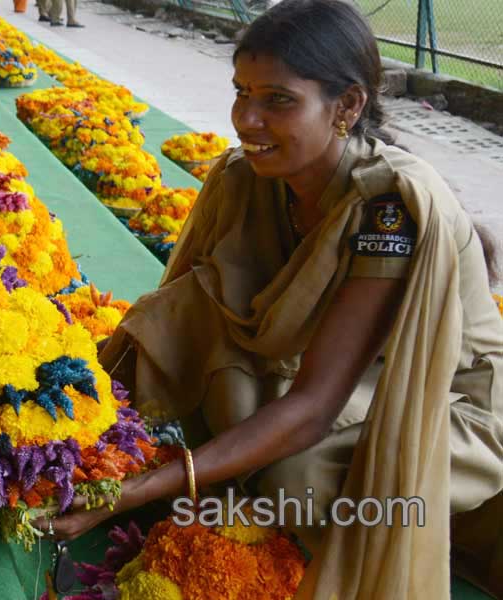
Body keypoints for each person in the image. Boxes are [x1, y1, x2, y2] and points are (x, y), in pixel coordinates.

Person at [37, 0, 503, 598]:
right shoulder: (245, 181)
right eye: (241, 92)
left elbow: (313, 405)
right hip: (354, 381)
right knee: (193, 326)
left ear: (348, 106)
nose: (246, 120)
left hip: (443, 405)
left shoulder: (390, 211)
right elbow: (180, 319)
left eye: (277, 100)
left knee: (292, 482)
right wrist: (78, 430)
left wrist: (131, 493)